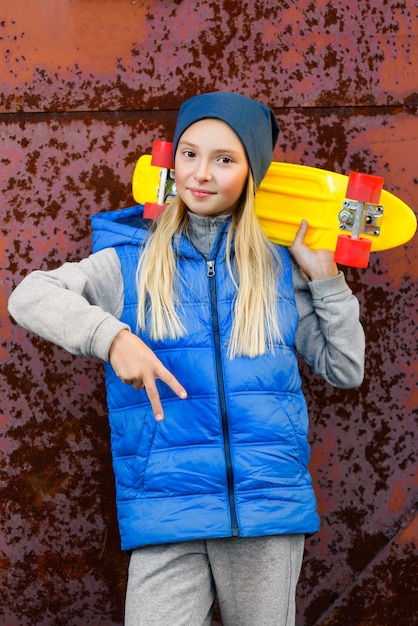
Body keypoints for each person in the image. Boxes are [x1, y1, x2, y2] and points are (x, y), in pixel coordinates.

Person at [8, 91, 365, 626]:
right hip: (166, 509)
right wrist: (111, 337)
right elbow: (29, 295)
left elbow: (345, 368)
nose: (201, 173)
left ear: (251, 173)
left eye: (225, 159)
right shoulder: (129, 260)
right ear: (171, 160)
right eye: (190, 153)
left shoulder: (277, 270)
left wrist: (326, 279)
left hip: (266, 512)